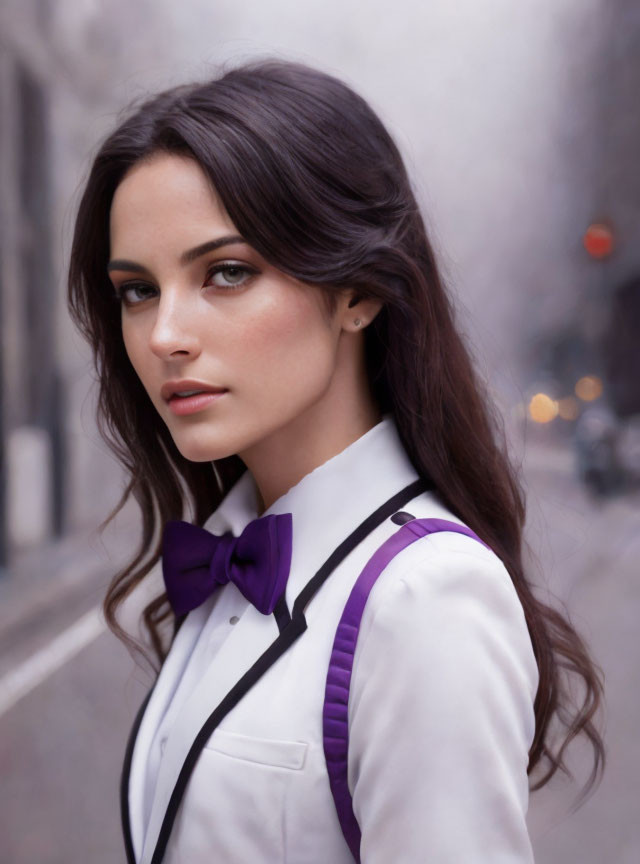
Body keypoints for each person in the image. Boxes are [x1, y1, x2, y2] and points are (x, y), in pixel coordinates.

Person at [67, 59, 604, 863]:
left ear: (358, 290)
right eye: (138, 289)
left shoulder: (425, 601)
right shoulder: (230, 559)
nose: (163, 335)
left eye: (227, 272)